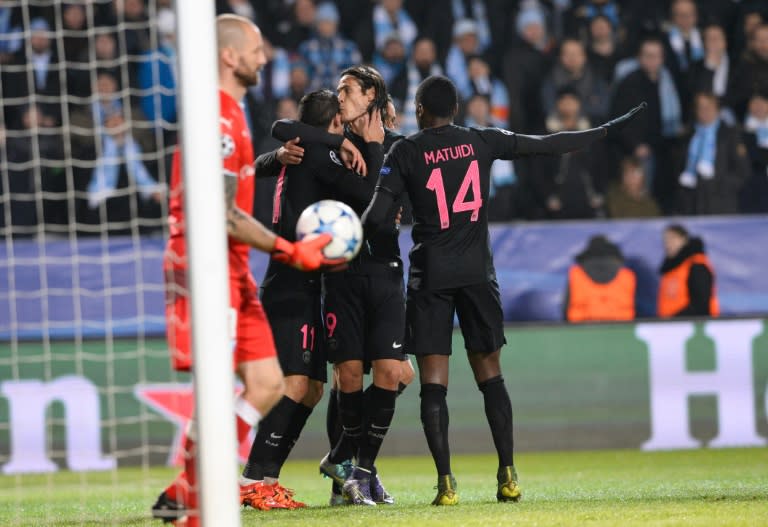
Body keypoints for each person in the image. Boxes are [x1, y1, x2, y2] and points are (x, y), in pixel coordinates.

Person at [362, 75, 644, 505]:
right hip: (478, 274)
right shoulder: (483, 141)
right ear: (456, 109)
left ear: (420, 110)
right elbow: (549, 143)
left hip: (431, 275)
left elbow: (379, 215)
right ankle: (508, 474)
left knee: (433, 384)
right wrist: (605, 129)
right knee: (490, 376)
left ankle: (446, 483)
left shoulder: (406, 152)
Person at [151, 15, 339, 526]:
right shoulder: (212, 116)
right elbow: (223, 213)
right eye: (257, 48)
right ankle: (196, 502)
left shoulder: (234, 112)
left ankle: (184, 489)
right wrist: (290, 249)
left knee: (266, 384)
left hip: (231, 266)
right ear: (231, 56)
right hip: (201, 262)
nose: (265, 57)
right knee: (219, 389)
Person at [270, 65, 414, 506]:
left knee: (396, 373)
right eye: (337, 91)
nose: (340, 97)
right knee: (346, 376)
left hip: (386, 269)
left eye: (348, 90)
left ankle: (348, 461)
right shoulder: (331, 146)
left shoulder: (398, 147)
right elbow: (282, 129)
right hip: (341, 274)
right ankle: (347, 481)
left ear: (371, 96)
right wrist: (283, 155)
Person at [237, 89, 386, 510]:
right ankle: (253, 478)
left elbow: (282, 133)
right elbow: (365, 194)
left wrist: (278, 156)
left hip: (303, 283)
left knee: (314, 388)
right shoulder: (319, 154)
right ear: (335, 124)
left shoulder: (299, 149)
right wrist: (371, 147)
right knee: (296, 384)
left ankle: (267, 478)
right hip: (289, 282)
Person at [677, 91, 750, 215]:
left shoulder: (730, 134)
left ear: (717, 109)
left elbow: (742, 172)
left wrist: (717, 184)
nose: (704, 111)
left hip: (721, 204)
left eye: (708, 107)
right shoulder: (688, 135)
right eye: (700, 107)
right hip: (691, 204)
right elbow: (678, 166)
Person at [564, 235, 636, 323]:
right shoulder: (627, 275)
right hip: (621, 326)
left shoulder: (575, 273)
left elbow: (566, 305)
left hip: (582, 327)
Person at [658, 224, 719, 318]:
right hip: (672, 327)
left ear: (684, 240)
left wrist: (674, 320)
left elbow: (701, 304)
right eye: (665, 240)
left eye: (673, 239)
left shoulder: (696, 266)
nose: (668, 244)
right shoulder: (671, 269)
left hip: (693, 326)